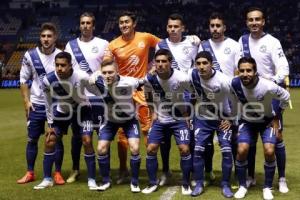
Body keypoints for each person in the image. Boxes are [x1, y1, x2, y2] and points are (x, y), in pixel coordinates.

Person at [103, 10, 161, 184]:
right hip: (122, 92)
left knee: (148, 131)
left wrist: (153, 66)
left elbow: (164, 46)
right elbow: (106, 65)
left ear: (134, 23)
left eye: (127, 22)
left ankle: (152, 170)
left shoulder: (145, 38)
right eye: (121, 22)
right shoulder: (113, 45)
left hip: (142, 89)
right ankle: (123, 170)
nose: (124, 25)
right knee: (122, 135)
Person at [239, 7, 290, 193]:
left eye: (257, 19)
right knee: (249, 137)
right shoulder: (242, 40)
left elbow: (283, 68)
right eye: (250, 20)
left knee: (277, 137)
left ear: (263, 21)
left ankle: (282, 178)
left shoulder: (272, 42)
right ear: (246, 22)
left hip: (269, 95)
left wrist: (271, 81)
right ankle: (251, 176)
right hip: (249, 95)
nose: (254, 23)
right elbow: (239, 67)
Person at [33, 52, 98, 190]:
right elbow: (48, 102)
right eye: (57, 65)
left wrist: (97, 80)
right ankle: (47, 179)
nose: (59, 68)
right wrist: (50, 124)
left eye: (63, 65)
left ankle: (92, 179)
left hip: (83, 110)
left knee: (87, 140)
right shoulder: (49, 80)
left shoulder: (81, 76)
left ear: (70, 65)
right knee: (50, 140)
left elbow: (97, 92)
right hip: (63, 111)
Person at [232, 57, 290, 200]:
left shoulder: (267, 86)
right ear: (238, 71)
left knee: (270, 150)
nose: (245, 74)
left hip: (267, 122)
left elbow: (286, 96)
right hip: (248, 122)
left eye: (249, 70)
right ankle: (243, 185)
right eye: (242, 70)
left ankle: (268, 187)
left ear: (255, 72)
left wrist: (277, 117)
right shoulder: (234, 83)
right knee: (242, 149)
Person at [64, 11, 109, 183]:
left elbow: (107, 66)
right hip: (79, 98)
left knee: (103, 135)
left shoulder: (103, 43)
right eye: (82, 23)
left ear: (93, 25)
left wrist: (98, 73)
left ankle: (104, 171)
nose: (85, 26)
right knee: (79, 137)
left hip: (100, 97)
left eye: (88, 23)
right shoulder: (70, 45)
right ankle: (75, 169)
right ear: (79, 25)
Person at [155, 13, 199, 186]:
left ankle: (192, 173)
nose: (172, 29)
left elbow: (199, 64)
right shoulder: (161, 44)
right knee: (165, 138)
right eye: (170, 26)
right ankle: (166, 171)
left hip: (187, 96)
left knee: (189, 136)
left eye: (176, 26)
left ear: (182, 28)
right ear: (167, 28)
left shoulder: (192, 43)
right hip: (166, 95)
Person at [17, 22, 64, 185]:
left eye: (49, 36)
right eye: (43, 36)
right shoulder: (31, 55)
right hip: (36, 105)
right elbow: (23, 80)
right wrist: (26, 101)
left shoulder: (61, 55)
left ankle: (57, 173)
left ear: (55, 38)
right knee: (32, 139)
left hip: (56, 105)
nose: (46, 39)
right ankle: (30, 172)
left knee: (56, 139)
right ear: (40, 37)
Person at [142, 49, 193, 195]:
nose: (160, 64)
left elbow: (193, 94)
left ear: (170, 62)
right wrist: (152, 112)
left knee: (184, 149)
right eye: (157, 61)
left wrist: (187, 114)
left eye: (164, 61)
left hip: (179, 120)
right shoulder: (149, 79)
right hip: (160, 119)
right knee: (151, 148)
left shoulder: (181, 78)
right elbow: (148, 96)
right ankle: (152, 183)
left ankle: (185, 183)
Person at [198, 12, 241, 186]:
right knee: (206, 142)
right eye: (212, 25)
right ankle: (208, 172)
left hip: (229, 99)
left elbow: (238, 72)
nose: (215, 29)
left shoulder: (234, 45)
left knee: (233, 140)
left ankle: (237, 175)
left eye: (218, 25)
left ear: (224, 27)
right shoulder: (203, 45)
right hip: (208, 101)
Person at [89, 59, 143, 192]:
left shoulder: (129, 82)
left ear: (117, 71)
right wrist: (93, 75)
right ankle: (106, 181)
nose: (107, 75)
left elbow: (144, 81)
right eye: (104, 73)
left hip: (129, 120)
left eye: (111, 72)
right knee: (101, 149)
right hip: (110, 121)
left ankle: (135, 182)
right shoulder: (98, 82)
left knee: (135, 148)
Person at [189, 51, 235, 198]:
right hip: (203, 119)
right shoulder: (192, 75)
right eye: (198, 64)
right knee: (198, 150)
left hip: (223, 119)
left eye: (205, 63)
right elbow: (190, 92)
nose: (201, 67)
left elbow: (237, 100)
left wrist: (231, 119)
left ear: (211, 64)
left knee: (227, 151)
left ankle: (226, 185)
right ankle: (199, 183)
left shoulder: (223, 80)